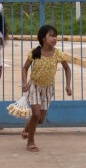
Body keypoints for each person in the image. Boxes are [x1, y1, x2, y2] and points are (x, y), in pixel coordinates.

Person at [20, 24, 73, 153]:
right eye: (51, 36)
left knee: (40, 119)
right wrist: (25, 83)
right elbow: (25, 68)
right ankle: (30, 142)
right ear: (43, 38)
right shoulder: (35, 52)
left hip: (48, 89)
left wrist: (68, 85)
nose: (54, 38)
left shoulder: (58, 54)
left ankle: (28, 126)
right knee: (36, 114)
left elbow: (67, 68)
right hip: (34, 86)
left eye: (55, 36)